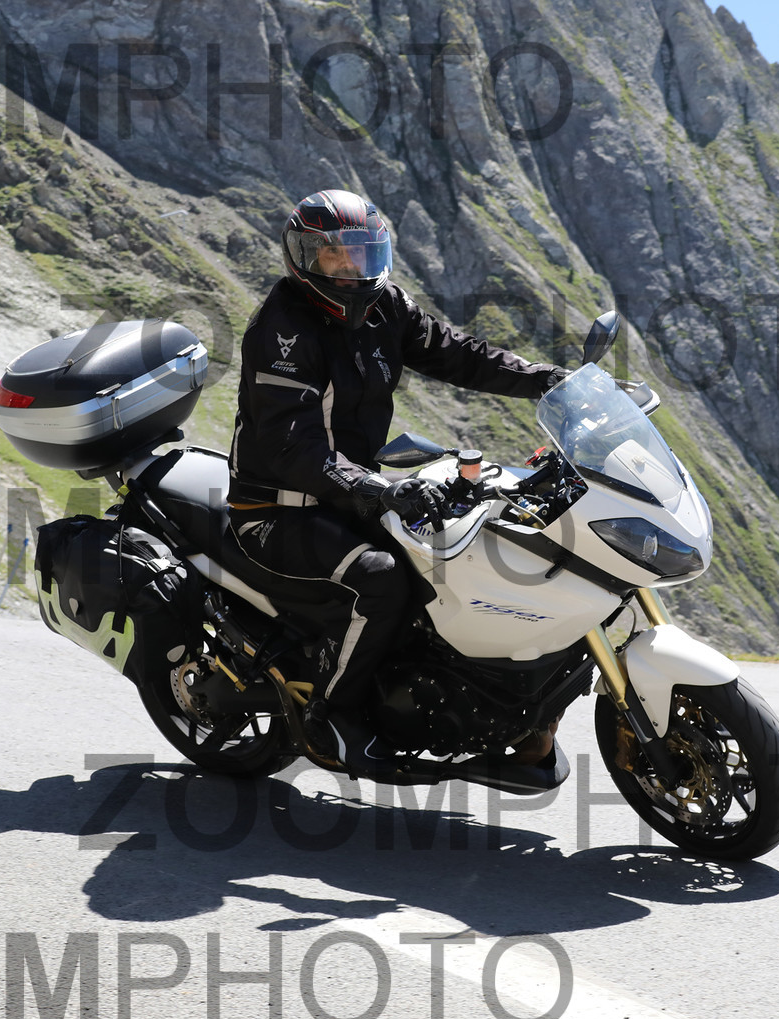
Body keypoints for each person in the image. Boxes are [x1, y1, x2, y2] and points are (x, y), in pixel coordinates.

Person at [227, 189, 568, 775]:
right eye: (334, 255)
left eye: (361, 252)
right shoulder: (282, 331)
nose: (350, 267)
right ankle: (333, 717)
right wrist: (377, 489)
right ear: (303, 259)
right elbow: (293, 449)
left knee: (463, 555)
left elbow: (460, 355)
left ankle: (487, 712)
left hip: (348, 493)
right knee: (381, 580)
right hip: (276, 509)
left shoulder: (385, 306)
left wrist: (547, 380)